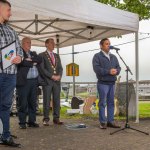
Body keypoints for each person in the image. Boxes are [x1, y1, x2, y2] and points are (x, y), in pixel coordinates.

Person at [0, 0, 23, 147]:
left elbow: (19, 48)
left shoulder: (12, 30)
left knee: (6, 106)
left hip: (10, 74)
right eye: (8, 9)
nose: (10, 13)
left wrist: (19, 57)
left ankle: (5, 135)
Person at [92, 38, 121, 129]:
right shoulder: (97, 56)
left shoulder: (114, 57)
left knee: (111, 103)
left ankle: (110, 121)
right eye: (106, 44)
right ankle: (103, 122)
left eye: (109, 44)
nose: (109, 45)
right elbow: (97, 69)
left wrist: (116, 71)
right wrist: (108, 71)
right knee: (102, 103)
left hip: (112, 83)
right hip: (103, 83)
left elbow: (119, 67)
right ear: (101, 46)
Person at [16, 37, 42, 129]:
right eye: (27, 42)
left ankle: (31, 121)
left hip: (34, 82)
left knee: (32, 103)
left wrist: (31, 60)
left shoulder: (33, 53)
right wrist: (32, 62)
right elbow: (21, 63)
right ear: (22, 43)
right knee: (23, 103)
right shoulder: (19, 53)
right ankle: (22, 123)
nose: (29, 44)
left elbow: (39, 59)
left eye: (30, 42)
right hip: (24, 82)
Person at [39, 38, 63, 126]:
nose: (54, 44)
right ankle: (46, 119)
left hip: (57, 81)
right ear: (46, 44)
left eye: (54, 43)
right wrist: (52, 76)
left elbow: (60, 68)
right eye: (52, 43)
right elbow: (42, 69)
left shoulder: (57, 55)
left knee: (57, 99)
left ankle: (56, 118)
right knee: (47, 100)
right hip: (47, 81)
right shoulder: (41, 55)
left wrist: (59, 76)